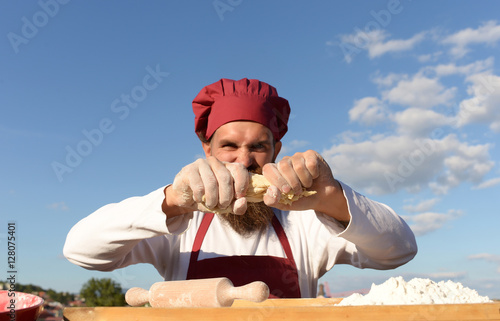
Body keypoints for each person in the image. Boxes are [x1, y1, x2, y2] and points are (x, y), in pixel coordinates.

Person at [63, 78, 417, 298]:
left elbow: (399, 251)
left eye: (258, 147)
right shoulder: (177, 227)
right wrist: (171, 200)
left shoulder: (308, 222)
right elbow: (80, 250)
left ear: (276, 151)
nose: (243, 161)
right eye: (229, 146)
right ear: (207, 150)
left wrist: (331, 198)